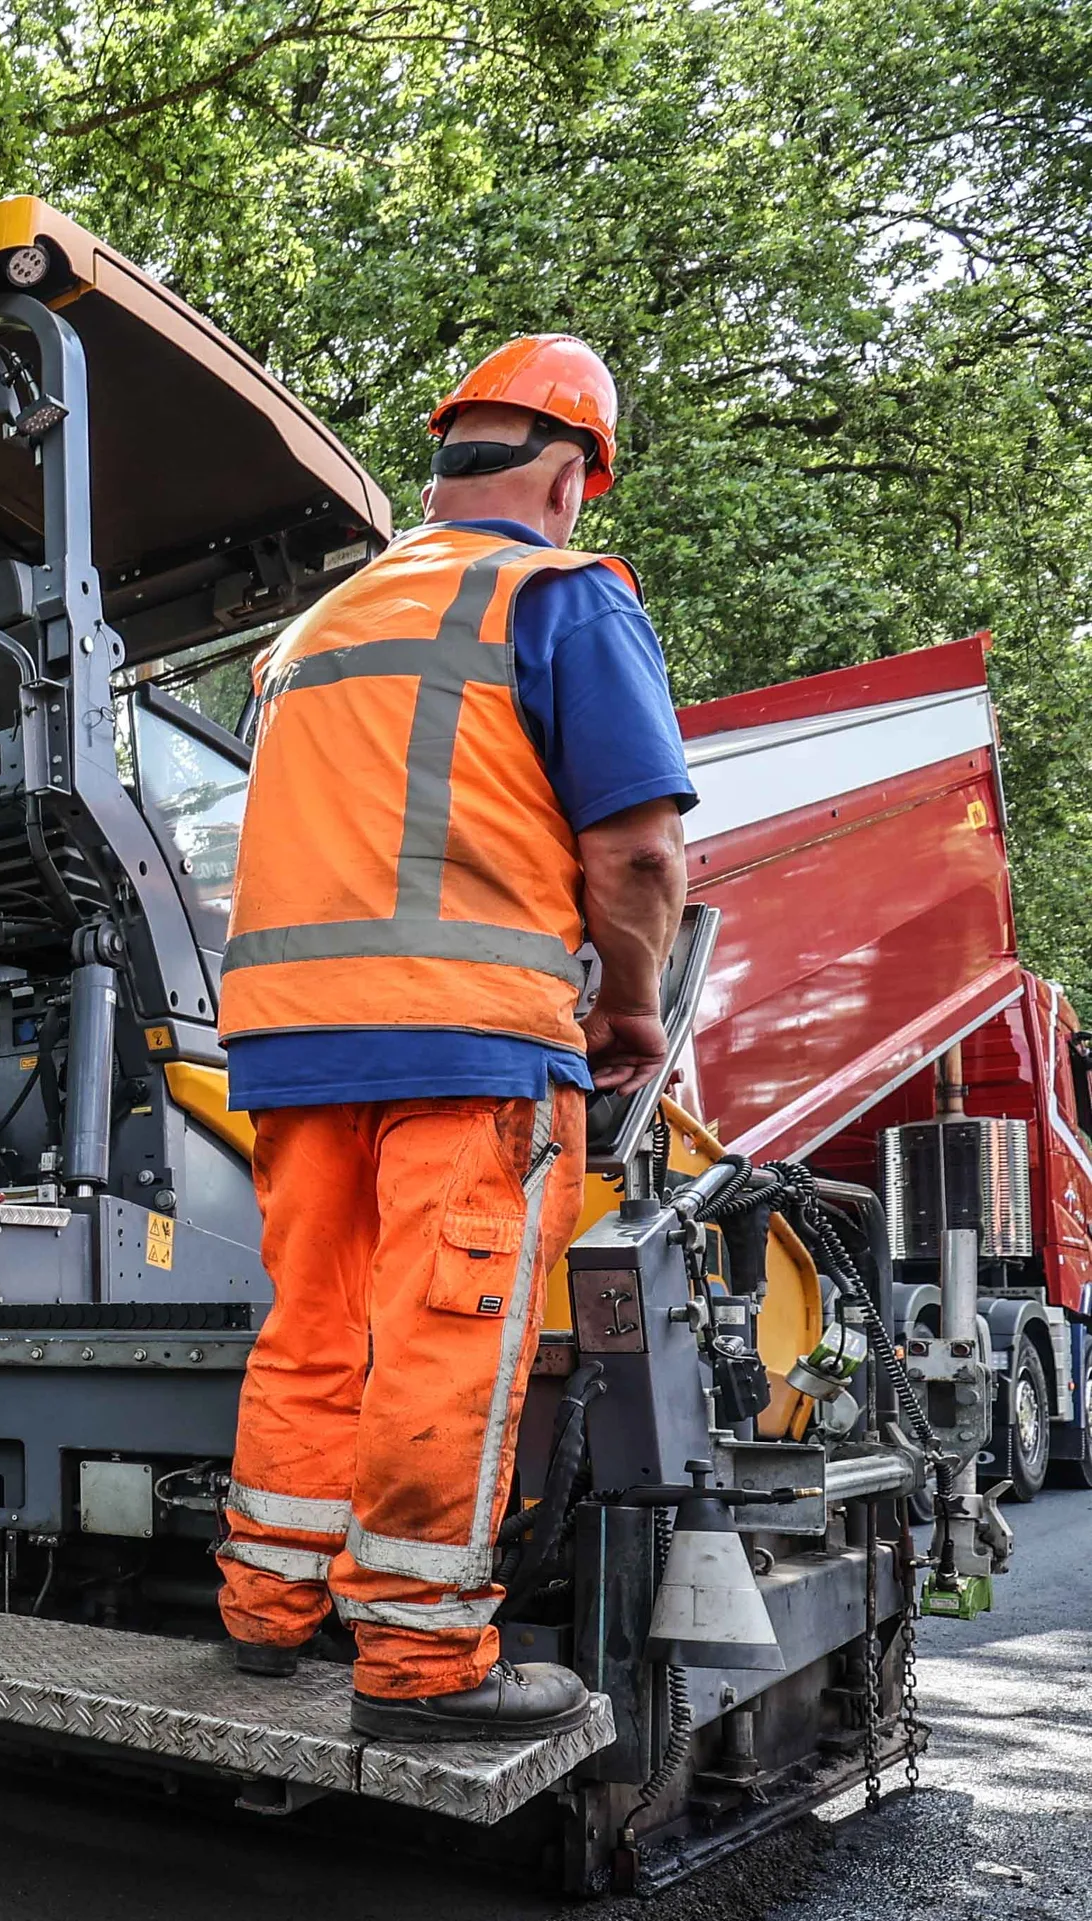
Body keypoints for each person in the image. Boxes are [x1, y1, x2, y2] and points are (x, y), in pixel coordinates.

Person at [213, 333, 692, 1743]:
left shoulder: (309, 632)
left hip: (294, 1048)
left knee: (312, 1327)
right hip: (471, 1042)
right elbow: (641, 855)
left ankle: (266, 1610)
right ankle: (423, 1663)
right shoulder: (561, 596)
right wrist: (627, 1007)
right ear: (567, 479)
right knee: (448, 1341)